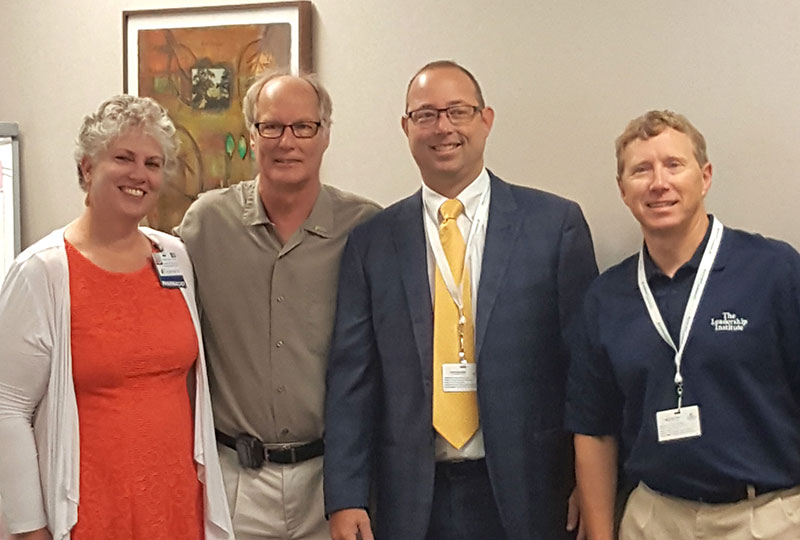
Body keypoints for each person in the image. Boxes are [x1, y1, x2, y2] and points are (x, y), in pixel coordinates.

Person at [324, 60, 598, 540]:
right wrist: (345, 495)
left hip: (529, 489)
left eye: (458, 111)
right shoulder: (373, 241)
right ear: (406, 128)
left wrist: (587, 482)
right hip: (411, 496)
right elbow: (352, 377)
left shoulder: (553, 226)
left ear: (486, 119)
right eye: (426, 115)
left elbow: (585, 370)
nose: (443, 127)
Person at [0, 95, 232, 540]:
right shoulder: (44, 271)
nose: (139, 175)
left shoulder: (174, 257)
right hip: (90, 509)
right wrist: (32, 530)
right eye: (122, 158)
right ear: (88, 168)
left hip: (177, 504)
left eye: (152, 163)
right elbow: (7, 409)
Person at [566, 110, 800, 540]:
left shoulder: (775, 271)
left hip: (765, 517)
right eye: (641, 170)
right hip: (655, 517)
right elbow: (594, 430)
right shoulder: (605, 297)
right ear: (622, 190)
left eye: (674, 165)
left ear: (705, 176)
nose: (659, 183)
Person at [176, 71, 380, 540]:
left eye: (303, 127)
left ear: (325, 135)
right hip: (235, 480)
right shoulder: (206, 224)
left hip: (334, 481)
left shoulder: (366, 228)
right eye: (272, 127)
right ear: (252, 134)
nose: (287, 141)